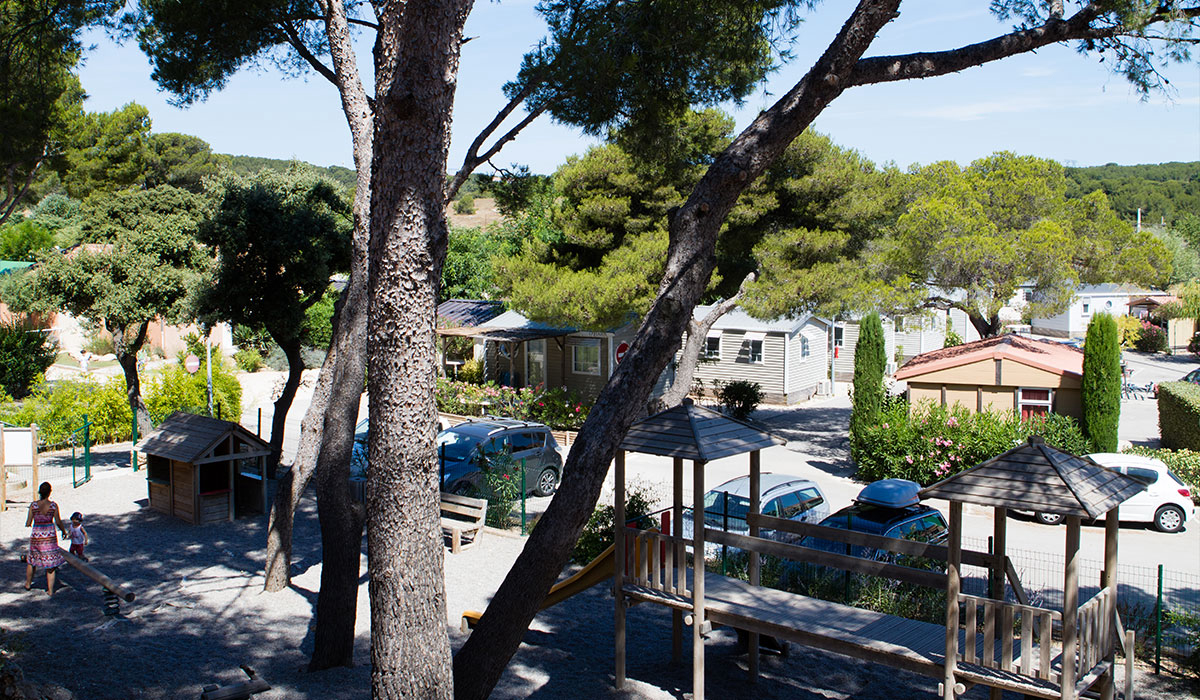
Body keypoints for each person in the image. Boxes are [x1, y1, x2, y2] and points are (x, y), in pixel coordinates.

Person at [25, 482, 67, 595]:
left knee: (32, 560)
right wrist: (63, 531)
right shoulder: (53, 506)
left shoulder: (33, 505)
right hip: (49, 536)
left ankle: (28, 583)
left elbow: (28, 522)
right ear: (50, 492)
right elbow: (58, 521)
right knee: (51, 564)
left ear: (39, 492)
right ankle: (50, 590)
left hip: (37, 535)